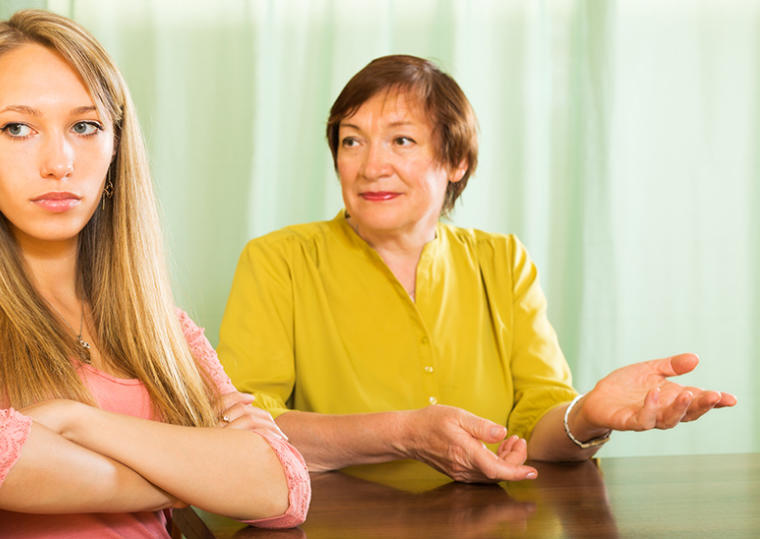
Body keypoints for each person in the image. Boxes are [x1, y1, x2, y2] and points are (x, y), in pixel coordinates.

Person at [0, 10, 308, 538]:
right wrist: (191, 477)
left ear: (115, 150)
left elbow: (283, 487)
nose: (59, 161)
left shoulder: (163, 328)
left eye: (85, 126)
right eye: (18, 128)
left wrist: (75, 421)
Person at [217, 54, 736, 484]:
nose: (370, 165)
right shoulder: (278, 259)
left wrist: (587, 417)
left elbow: (539, 424)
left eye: (401, 140)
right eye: (352, 140)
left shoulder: (502, 260)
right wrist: (403, 432)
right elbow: (245, 421)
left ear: (456, 160)